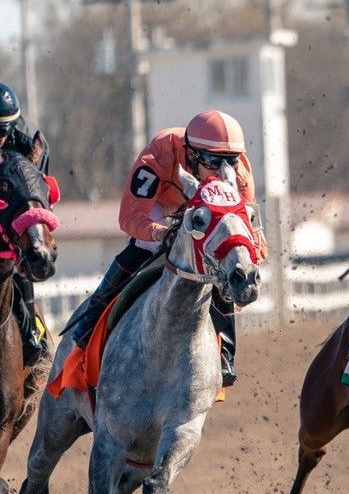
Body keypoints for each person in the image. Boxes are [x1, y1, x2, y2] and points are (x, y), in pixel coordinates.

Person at [65, 110, 264, 387]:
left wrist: (247, 257)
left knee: (223, 262)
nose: (223, 172)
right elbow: (130, 218)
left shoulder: (239, 174)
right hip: (161, 206)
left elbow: (253, 236)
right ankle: (90, 320)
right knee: (145, 244)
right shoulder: (159, 155)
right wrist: (162, 233)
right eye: (213, 162)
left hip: (208, 213)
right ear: (191, 154)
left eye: (230, 161)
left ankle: (225, 353)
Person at [0, 82, 51, 365]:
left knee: (22, 263)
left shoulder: (27, 143)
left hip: (11, 220)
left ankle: (32, 332)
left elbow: (39, 195)